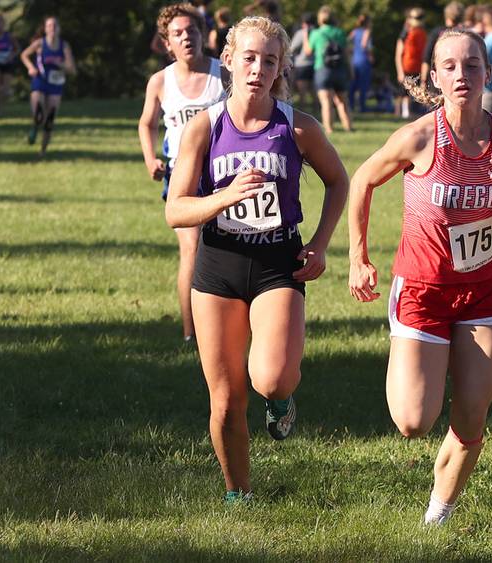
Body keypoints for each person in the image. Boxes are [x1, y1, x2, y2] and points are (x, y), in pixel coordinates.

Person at [348, 29, 492, 525]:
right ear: (434, 76)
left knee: (473, 412)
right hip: (423, 290)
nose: (462, 75)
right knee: (413, 421)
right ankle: (411, 363)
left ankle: (440, 512)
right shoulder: (419, 137)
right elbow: (362, 180)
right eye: (449, 67)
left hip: (481, 292)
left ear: (488, 74)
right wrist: (357, 256)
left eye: (472, 65)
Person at [165, 15, 347, 503]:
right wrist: (223, 198)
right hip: (219, 263)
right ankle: (237, 492)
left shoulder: (297, 126)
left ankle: (282, 398)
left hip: (276, 263)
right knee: (225, 401)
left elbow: (339, 180)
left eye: (269, 60)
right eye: (248, 57)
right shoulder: (204, 128)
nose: (257, 69)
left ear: (280, 68)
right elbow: (176, 210)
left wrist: (321, 242)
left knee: (272, 377)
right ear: (228, 60)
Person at [138, 3, 226, 342]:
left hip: (222, 175)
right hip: (180, 175)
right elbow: (146, 123)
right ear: (166, 43)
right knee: (190, 248)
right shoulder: (160, 81)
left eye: (192, 31)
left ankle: (230, 324)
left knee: (226, 249)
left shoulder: (224, 74)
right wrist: (150, 159)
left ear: (203, 35)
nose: (186, 37)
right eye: (178, 33)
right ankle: (192, 334)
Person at [20, 16, 75, 154]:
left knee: (49, 119)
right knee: (39, 115)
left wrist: (60, 64)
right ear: (45, 29)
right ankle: (35, 126)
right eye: (49, 26)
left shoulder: (64, 46)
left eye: (55, 25)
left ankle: (43, 151)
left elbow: (72, 69)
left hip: (55, 84)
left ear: (59, 29)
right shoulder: (40, 44)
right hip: (40, 81)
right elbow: (24, 55)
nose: (52, 28)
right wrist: (31, 68)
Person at [304, 5, 352, 134]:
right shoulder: (340, 32)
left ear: (320, 19)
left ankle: (329, 129)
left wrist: (305, 34)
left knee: (326, 102)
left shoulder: (316, 33)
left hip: (323, 70)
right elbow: (347, 54)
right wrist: (350, 70)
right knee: (343, 101)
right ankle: (348, 127)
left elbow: (307, 51)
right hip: (339, 70)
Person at [420, 2, 465, 88]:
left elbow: (426, 58)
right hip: (461, 81)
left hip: (438, 80)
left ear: (446, 16)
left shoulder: (436, 33)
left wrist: (423, 81)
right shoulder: (466, 34)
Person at [395, 8, 427, 119]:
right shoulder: (405, 35)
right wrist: (400, 71)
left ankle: (409, 113)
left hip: (417, 68)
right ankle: (402, 113)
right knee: (403, 93)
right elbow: (398, 54)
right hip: (406, 67)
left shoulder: (422, 33)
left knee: (415, 93)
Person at [289, 12, 315, 111]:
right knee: (314, 91)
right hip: (314, 64)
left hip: (302, 64)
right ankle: (316, 110)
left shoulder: (301, 33)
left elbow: (292, 48)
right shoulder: (316, 32)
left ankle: (301, 112)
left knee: (302, 92)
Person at [348, 15, 373, 113]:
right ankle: (362, 107)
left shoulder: (354, 31)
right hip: (363, 59)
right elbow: (364, 45)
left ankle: (351, 105)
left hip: (354, 60)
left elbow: (347, 42)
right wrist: (370, 55)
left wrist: (351, 50)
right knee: (363, 84)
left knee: (353, 84)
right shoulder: (367, 31)